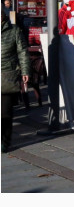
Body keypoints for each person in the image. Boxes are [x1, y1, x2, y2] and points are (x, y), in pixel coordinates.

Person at [1, 9, 30, 153]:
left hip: (7, 74)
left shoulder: (14, 30)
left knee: (5, 112)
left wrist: (25, 71)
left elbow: (22, 51)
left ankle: (4, 141)